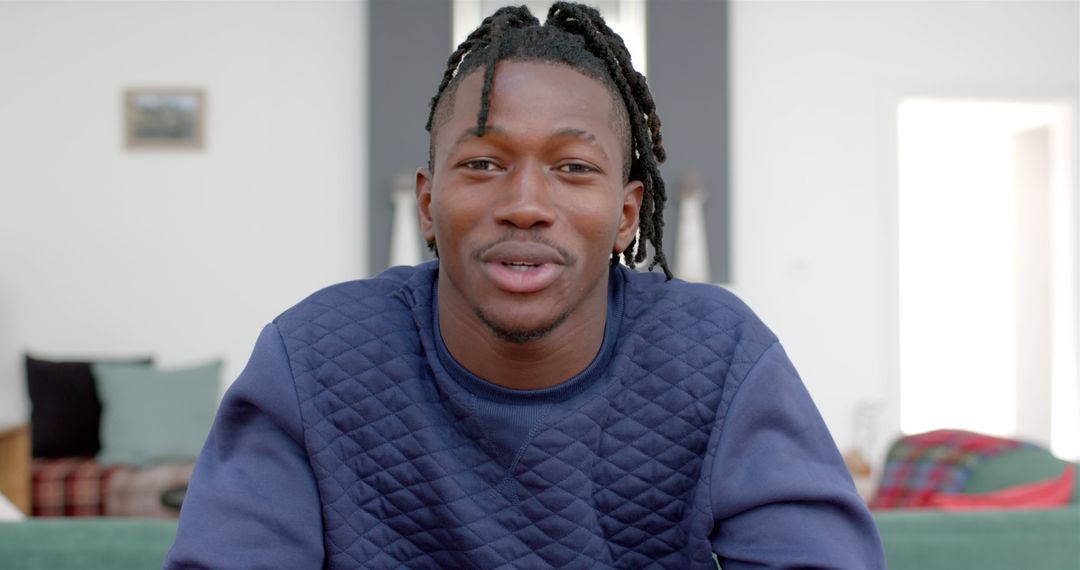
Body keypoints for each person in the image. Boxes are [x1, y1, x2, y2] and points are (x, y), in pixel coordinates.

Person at [164, 3, 885, 568]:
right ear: (427, 205)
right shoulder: (313, 359)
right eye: (482, 164)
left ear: (626, 214)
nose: (526, 203)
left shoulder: (718, 356)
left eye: (573, 167)